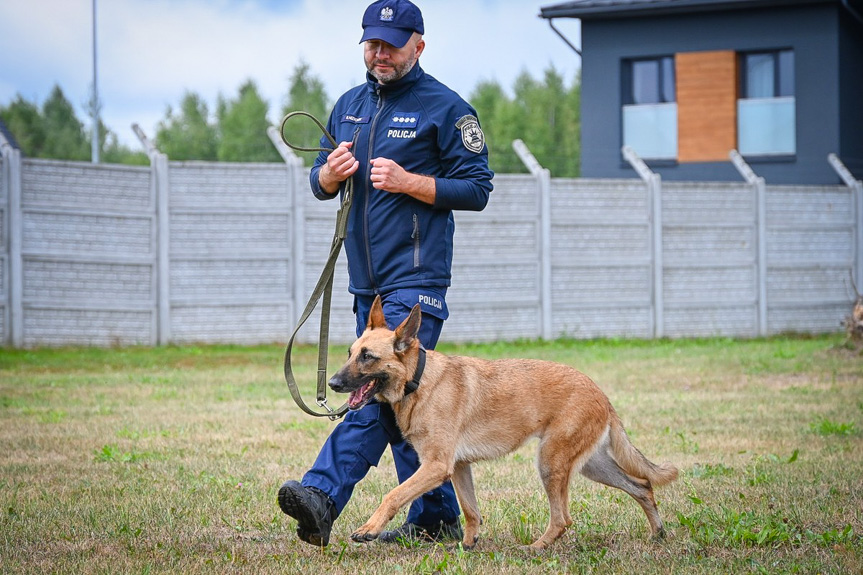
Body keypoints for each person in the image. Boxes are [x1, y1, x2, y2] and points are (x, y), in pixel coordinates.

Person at [277, 0, 493, 548]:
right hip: (364, 286)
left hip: (416, 282)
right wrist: (327, 175)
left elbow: (478, 188)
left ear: (418, 45)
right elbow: (320, 182)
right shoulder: (348, 105)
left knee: (377, 387)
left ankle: (322, 494)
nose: (379, 53)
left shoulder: (447, 109)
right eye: (372, 42)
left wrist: (410, 180)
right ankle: (437, 520)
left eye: (391, 44)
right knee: (405, 404)